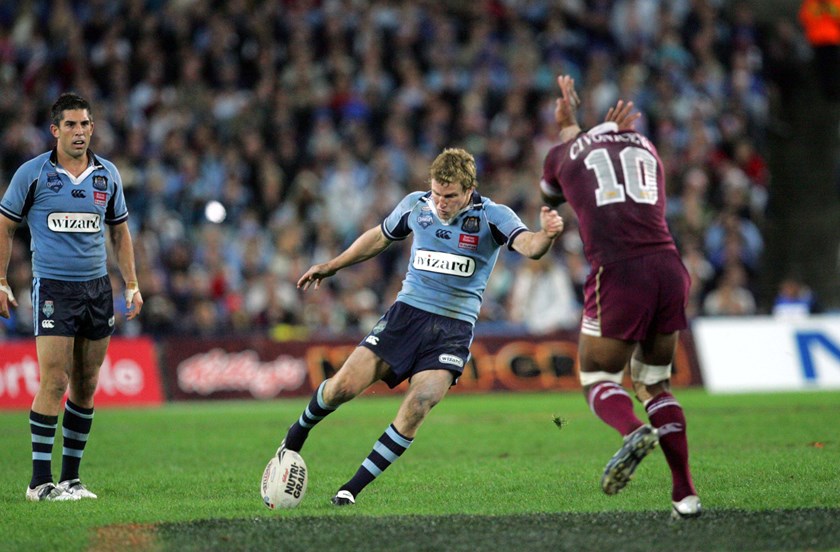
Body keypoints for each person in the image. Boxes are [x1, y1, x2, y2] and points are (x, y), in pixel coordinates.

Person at [275, 147, 563, 506]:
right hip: (405, 316)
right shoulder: (416, 205)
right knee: (341, 389)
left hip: (452, 329)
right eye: (437, 194)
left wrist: (547, 235)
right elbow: (379, 236)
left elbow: (530, 246)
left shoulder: (493, 216)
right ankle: (296, 433)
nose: (441, 203)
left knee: (420, 403)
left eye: (451, 196)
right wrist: (333, 265)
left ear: (470, 189)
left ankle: (351, 489)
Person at [539, 76, 701, 519]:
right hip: (669, 267)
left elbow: (553, 194)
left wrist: (570, 128)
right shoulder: (647, 148)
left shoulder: (560, 156)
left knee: (597, 378)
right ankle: (685, 495)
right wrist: (589, 131)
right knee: (653, 383)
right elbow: (600, 155)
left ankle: (632, 432)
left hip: (619, 271)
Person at [0, 93, 144, 502]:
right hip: (54, 289)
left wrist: (131, 284)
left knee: (86, 383)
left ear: (92, 128)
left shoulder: (107, 175)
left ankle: (71, 480)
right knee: (55, 379)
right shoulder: (33, 174)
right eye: (71, 125)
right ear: (55, 130)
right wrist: (1, 280)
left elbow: (119, 232)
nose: (79, 132)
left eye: (85, 125)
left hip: (98, 288)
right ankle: (38, 482)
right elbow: (4, 226)